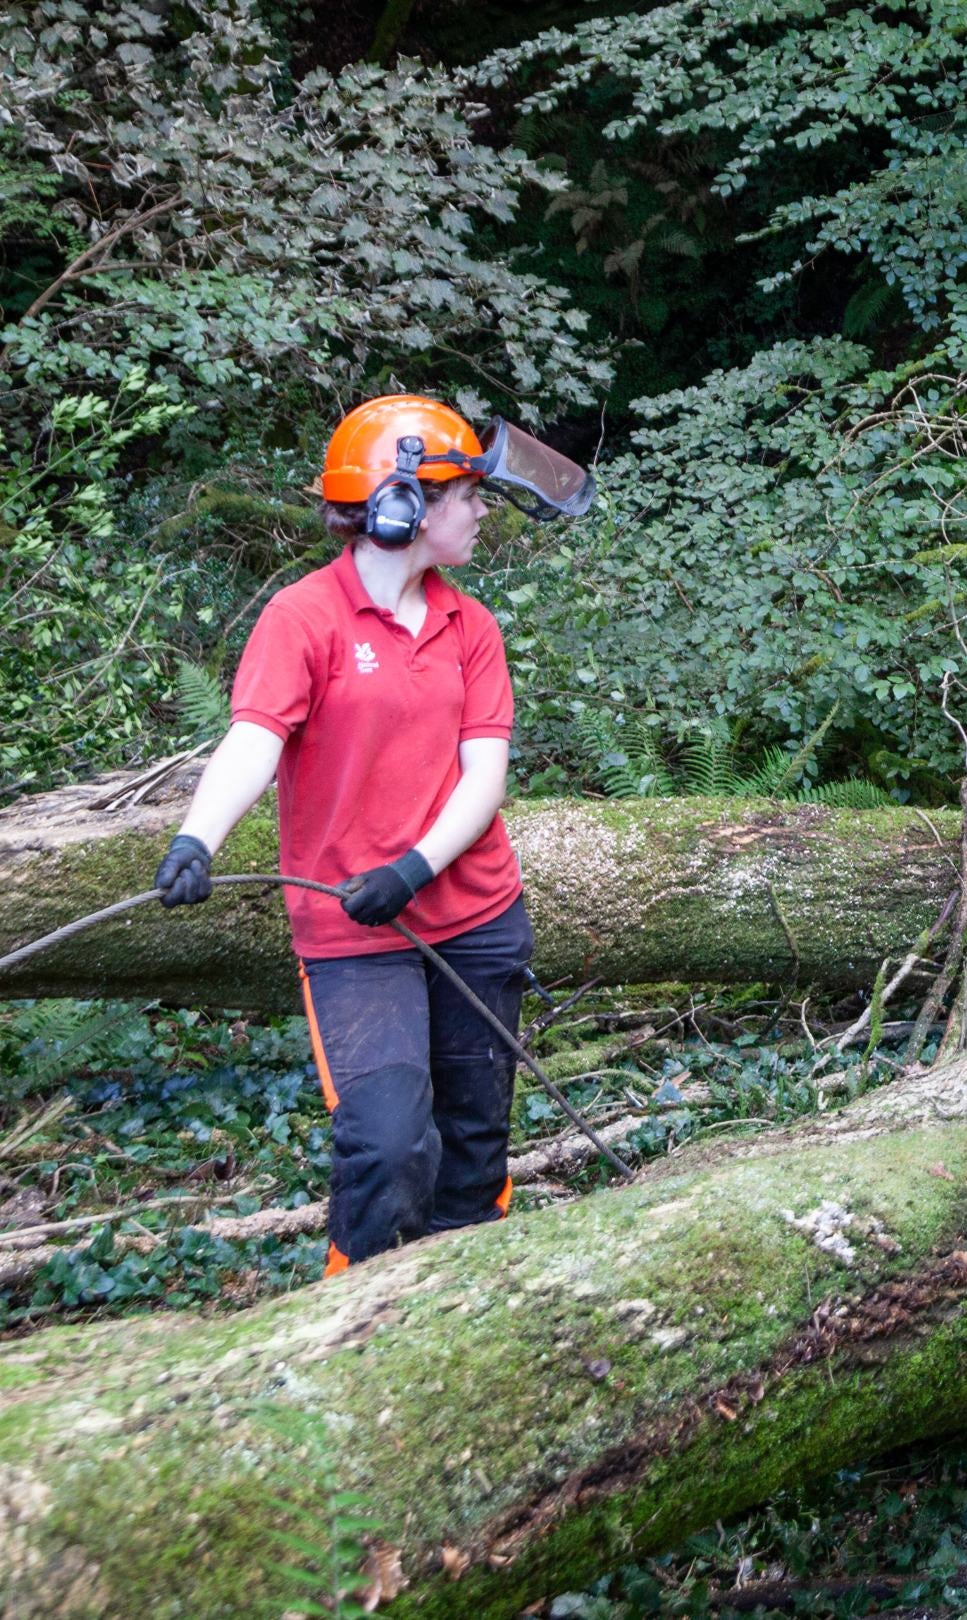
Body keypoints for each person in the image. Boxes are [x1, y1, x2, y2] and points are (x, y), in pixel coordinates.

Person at [152, 395, 590, 1274]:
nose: (479, 511)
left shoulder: (472, 628)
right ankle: (349, 1324)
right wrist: (197, 838)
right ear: (402, 504)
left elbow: (484, 777)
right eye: (466, 494)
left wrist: (415, 866)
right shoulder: (303, 618)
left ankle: (470, 1309)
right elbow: (254, 737)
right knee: (390, 1147)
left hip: (475, 920)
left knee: (473, 1148)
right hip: (355, 933)